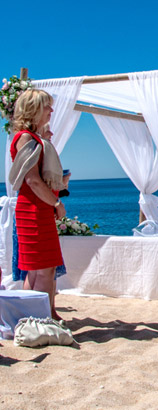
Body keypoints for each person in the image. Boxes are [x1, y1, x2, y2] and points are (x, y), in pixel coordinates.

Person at [8, 89, 66, 319]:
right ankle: (40, 319)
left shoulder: (35, 138)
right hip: (33, 210)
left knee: (39, 269)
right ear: (33, 109)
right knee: (42, 270)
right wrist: (57, 203)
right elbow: (31, 180)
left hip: (38, 209)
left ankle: (40, 316)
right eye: (46, 106)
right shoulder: (25, 138)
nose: (51, 110)